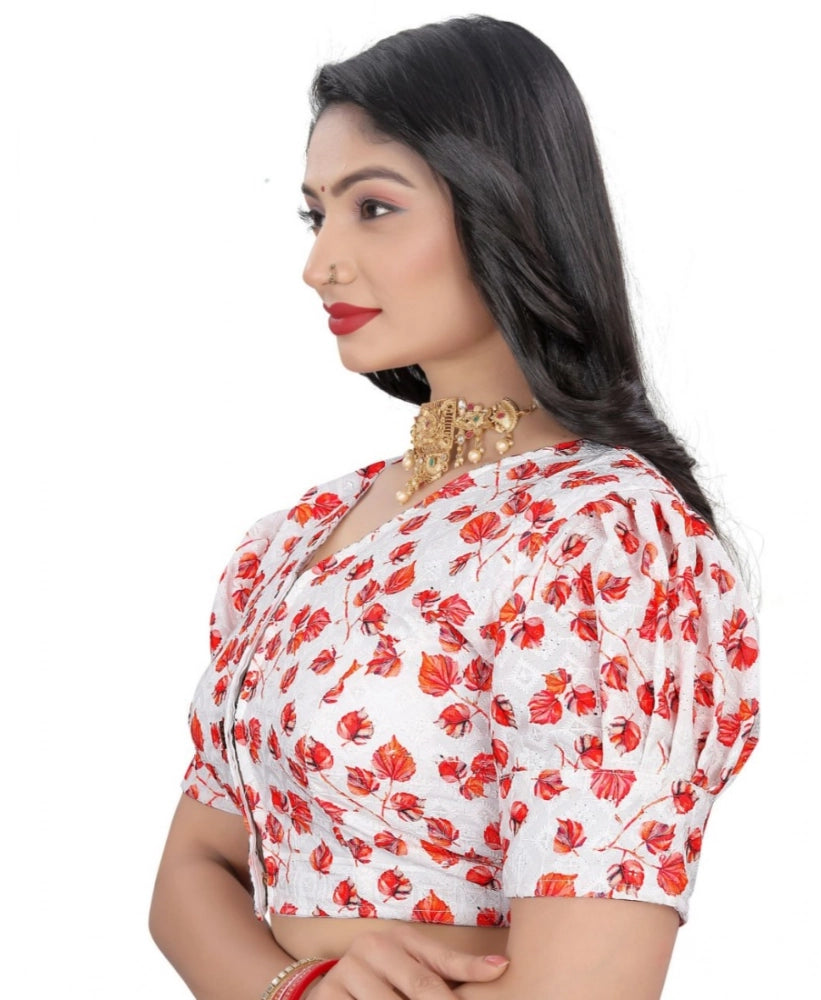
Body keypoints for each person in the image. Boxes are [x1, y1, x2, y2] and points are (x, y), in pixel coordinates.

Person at [150, 15, 760, 1000]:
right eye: (315, 215)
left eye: (374, 208)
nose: (321, 263)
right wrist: (292, 988)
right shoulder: (295, 539)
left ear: (502, 206)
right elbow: (191, 874)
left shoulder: (601, 537)